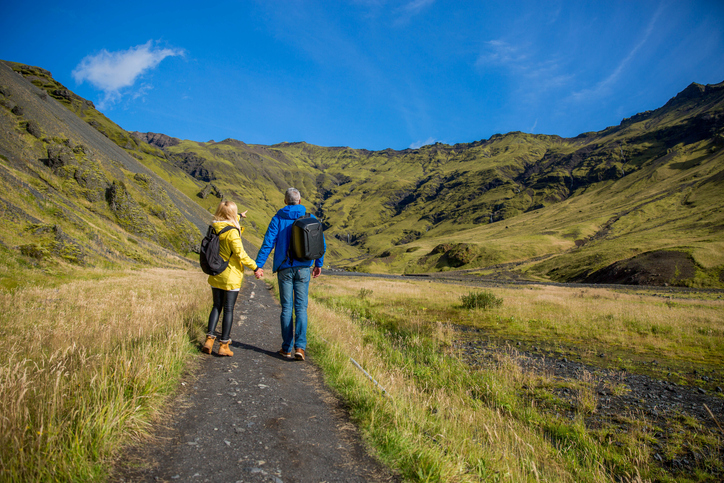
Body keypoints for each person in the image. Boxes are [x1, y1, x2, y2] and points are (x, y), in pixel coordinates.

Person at [255, 187, 324, 361]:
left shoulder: (278, 218)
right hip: (303, 269)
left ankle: (286, 348)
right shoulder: (311, 218)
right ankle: (300, 348)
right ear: (300, 201)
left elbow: (268, 243)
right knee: (301, 308)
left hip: (284, 269)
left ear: (285, 201)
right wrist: (318, 264)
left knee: (286, 308)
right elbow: (320, 242)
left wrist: (258, 265)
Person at [202, 200, 261, 357]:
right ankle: (224, 345)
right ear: (231, 214)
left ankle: (209, 340)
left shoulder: (214, 227)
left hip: (216, 273)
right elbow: (240, 254)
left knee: (216, 306)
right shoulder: (232, 232)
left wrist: (240, 216)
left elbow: (226, 221)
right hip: (231, 276)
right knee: (228, 309)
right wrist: (255, 267)